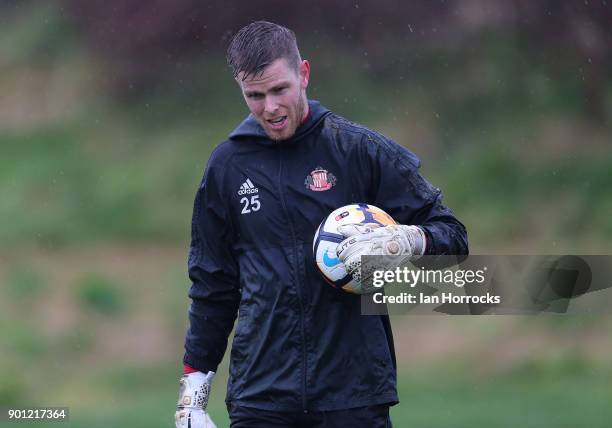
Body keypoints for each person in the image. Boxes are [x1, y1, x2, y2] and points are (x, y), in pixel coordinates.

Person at [174, 21, 468, 428]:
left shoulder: (357, 150)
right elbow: (212, 285)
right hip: (260, 398)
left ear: (304, 74)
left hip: (354, 395)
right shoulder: (227, 166)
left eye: (280, 90)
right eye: (254, 96)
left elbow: (453, 237)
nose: (270, 108)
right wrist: (192, 397)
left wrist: (409, 239)